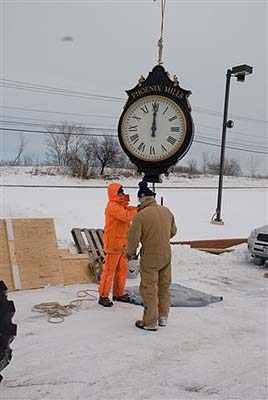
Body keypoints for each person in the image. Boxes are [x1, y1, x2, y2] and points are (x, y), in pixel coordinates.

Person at [127, 181, 177, 331]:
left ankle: (150, 321)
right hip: (166, 255)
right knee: (164, 285)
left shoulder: (141, 216)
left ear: (142, 199)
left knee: (149, 287)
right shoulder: (167, 211)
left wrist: (130, 255)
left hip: (150, 256)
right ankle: (163, 316)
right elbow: (173, 232)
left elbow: (132, 239)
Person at [98, 183, 137, 307]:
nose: (123, 194)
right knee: (109, 271)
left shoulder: (121, 206)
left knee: (122, 270)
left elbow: (129, 210)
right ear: (114, 194)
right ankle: (103, 296)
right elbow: (127, 216)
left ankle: (118, 294)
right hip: (113, 244)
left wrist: (141, 207)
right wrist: (139, 210)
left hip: (122, 245)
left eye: (123, 192)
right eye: (120, 192)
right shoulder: (112, 206)